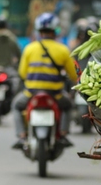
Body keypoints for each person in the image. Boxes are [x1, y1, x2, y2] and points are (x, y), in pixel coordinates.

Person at [11, 12, 78, 149]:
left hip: (31, 93)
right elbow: (73, 75)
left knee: (16, 106)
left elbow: (22, 73)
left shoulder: (29, 48)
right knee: (68, 106)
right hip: (55, 94)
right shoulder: (63, 50)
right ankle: (63, 134)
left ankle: (22, 136)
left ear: (38, 30)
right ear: (55, 30)